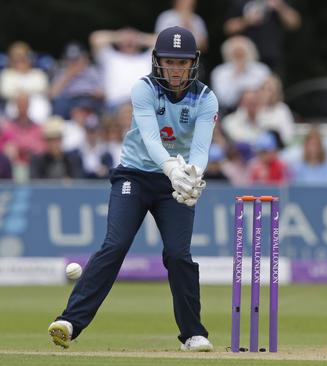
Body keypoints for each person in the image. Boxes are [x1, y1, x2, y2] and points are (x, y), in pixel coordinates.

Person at [48, 26, 218, 352]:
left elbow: (200, 148)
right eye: (169, 62)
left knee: (178, 255)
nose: (176, 69)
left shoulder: (206, 98)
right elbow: (151, 139)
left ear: (193, 63)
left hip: (177, 181)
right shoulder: (144, 89)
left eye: (182, 63)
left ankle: (193, 334)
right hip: (135, 176)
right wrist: (171, 168)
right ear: (158, 61)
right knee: (116, 245)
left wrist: (193, 175)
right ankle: (69, 322)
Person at [223, 0, 301, 76]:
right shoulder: (240, 2)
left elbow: (294, 24)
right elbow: (228, 28)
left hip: (273, 57)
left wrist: (280, 6)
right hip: (246, 59)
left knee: (271, 87)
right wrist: (247, 21)